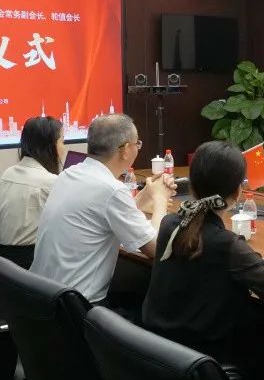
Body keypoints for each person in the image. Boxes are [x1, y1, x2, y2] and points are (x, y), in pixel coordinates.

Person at [142, 140, 264, 380]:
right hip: (203, 360)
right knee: (261, 332)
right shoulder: (226, 244)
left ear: (192, 184)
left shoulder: (170, 224)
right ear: (238, 191)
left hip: (158, 351)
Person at [31, 114, 174, 306]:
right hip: (77, 307)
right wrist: (160, 199)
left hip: (43, 297)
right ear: (125, 150)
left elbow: (106, 213)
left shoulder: (69, 174)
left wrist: (146, 194)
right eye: (137, 144)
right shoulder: (111, 189)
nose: (138, 148)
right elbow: (155, 248)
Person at [0, 116, 64, 268]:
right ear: (50, 146)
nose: (64, 147)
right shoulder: (50, 182)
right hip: (27, 263)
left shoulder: (8, 172)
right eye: (62, 141)